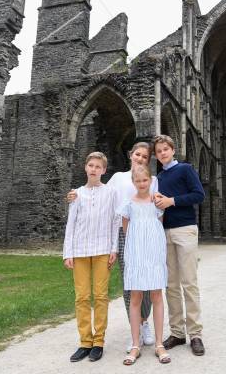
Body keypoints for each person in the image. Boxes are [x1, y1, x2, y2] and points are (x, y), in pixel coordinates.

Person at [66, 142, 157, 352]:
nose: (140, 158)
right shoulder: (117, 179)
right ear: (130, 155)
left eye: (145, 156)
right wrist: (74, 195)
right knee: (129, 282)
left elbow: (155, 204)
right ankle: (134, 329)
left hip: (145, 234)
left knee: (148, 281)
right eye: (137, 154)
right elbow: (107, 204)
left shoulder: (154, 180)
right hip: (124, 234)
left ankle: (144, 323)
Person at [152, 135, 206, 356]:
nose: (163, 153)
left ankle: (195, 334)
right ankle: (177, 332)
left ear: (173, 150)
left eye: (166, 149)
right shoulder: (159, 177)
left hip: (185, 230)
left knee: (189, 283)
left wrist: (171, 201)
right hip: (165, 232)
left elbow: (199, 195)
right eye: (159, 151)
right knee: (171, 285)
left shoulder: (185, 169)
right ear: (156, 155)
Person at [63, 152, 119, 363]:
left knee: (101, 296)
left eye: (98, 166)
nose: (94, 169)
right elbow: (71, 224)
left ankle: (99, 341)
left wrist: (114, 249)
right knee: (82, 297)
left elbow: (115, 221)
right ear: (85, 168)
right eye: (91, 165)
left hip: (103, 249)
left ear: (104, 170)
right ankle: (85, 341)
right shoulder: (76, 194)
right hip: (79, 251)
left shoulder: (111, 193)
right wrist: (68, 252)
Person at [117, 165, 170, 365]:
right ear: (133, 182)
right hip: (136, 254)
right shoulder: (128, 204)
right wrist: (132, 254)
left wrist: (157, 251)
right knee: (136, 296)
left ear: (150, 180)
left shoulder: (157, 202)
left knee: (157, 295)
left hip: (154, 253)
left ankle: (158, 344)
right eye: (138, 181)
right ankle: (135, 345)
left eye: (144, 180)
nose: (141, 184)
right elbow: (126, 230)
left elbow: (159, 225)